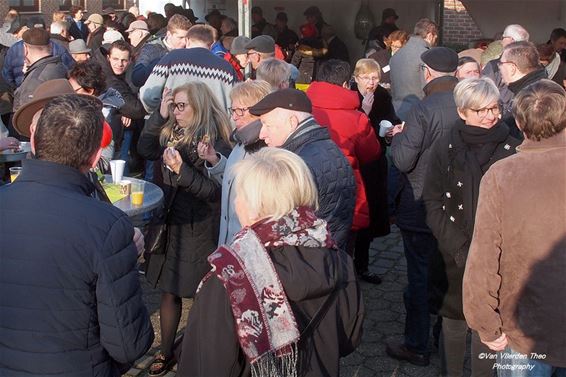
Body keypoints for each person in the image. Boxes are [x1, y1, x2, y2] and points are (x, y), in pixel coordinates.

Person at [0, 93, 154, 376]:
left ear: (33, 141)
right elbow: (129, 343)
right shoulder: (108, 227)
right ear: (96, 156)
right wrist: (126, 260)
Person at [177, 147, 364, 377]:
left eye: (239, 195)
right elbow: (349, 337)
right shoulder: (340, 259)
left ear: (255, 207)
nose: (236, 203)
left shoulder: (230, 278)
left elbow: (206, 365)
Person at [463, 79, 566, 377]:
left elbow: (483, 258)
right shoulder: (501, 175)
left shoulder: (502, 175)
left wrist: (485, 324)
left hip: (524, 330)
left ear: (518, 123)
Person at [422, 77, 520, 377]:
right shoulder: (445, 146)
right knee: (453, 322)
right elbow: (433, 200)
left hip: (497, 253)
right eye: (481, 110)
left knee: (488, 326)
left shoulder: (513, 148)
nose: (491, 116)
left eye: (494, 108)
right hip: (454, 250)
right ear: (463, 111)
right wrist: (460, 246)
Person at [137, 81, 232, 376]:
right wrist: (158, 115)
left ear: (199, 106)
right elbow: (144, 148)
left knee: (198, 292)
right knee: (169, 289)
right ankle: (166, 352)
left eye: (181, 106)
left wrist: (182, 171)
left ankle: (197, 351)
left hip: (199, 225)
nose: (176, 112)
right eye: (174, 106)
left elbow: (214, 192)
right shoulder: (171, 131)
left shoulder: (214, 139)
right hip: (170, 221)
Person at [387, 47, 461, 367]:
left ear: (427, 73)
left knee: (418, 275)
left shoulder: (421, 109)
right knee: (445, 272)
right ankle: (442, 336)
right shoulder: (467, 106)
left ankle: (416, 345)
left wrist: (399, 138)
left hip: (420, 207)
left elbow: (403, 160)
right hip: (457, 207)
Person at [250, 88, 356, 251]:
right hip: (330, 256)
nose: (262, 134)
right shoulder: (328, 148)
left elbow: (281, 227)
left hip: (309, 260)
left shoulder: (297, 164)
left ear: (292, 122)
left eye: (267, 125)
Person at [307, 59, 380, 254]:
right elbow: (371, 153)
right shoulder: (357, 118)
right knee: (343, 252)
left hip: (307, 187)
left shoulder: (303, 109)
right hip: (344, 191)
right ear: (346, 84)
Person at [199, 80, 272, 245]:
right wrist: (215, 160)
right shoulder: (240, 142)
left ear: (259, 110)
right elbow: (235, 182)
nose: (234, 116)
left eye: (240, 110)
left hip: (248, 244)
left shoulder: (266, 146)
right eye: (233, 110)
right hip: (229, 239)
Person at [350, 58, 399, 284]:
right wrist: (364, 112)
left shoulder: (382, 95)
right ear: (357, 77)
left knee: (369, 215)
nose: (372, 83)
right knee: (354, 215)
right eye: (367, 78)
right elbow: (351, 129)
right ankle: (348, 266)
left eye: (375, 78)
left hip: (375, 161)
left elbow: (391, 118)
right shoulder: (350, 95)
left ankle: (362, 265)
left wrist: (392, 130)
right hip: (355, 162)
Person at [141, 24, 237, 113]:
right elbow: (235, 105)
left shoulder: (172, 58)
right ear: (212, 44)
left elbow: (148, 95)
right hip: (213, 129)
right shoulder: (226, 68)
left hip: (175, 126)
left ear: (187, 40)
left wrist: (162, 114)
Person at [93, 40, 146, 156]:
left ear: (130, 61)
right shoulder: (109, 79)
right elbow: (135, 109)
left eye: (124, 60)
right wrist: (125, 111)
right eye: (115, 59)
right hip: (106, 135)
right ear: (108, 58)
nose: (120, 64)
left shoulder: (114, 75)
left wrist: (123, 111)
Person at [389, 18, 438, 120]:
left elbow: (393, 88)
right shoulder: (426, 55)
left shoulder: (396, 55)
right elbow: (428, 87)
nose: (435, 42)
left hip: (397, 110)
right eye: (435, 38)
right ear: (429, 36)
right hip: (419, 114)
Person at [498, 41, 547, 139]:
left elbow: (526, 136)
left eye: (501, 63)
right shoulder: (541, 86)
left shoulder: (534, 97)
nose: (499, 68)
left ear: (512, 68)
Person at [13, 28, 68, 112]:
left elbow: (26, 116)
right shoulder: (61, 66)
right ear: (50, 46)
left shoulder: (35, 80)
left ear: (25, 49)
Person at [132, 14, 191, 88]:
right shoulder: (151, 49)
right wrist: (161, 62)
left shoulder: (191, 49)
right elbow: (137, 78)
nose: (185, 42)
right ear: (169, 34)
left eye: (187, 38)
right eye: (180, 38)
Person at [482, 24, 529, 114]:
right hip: (525, 115)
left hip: (501, 116)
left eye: (503, 37)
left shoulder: (494, 66)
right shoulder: (535, 66)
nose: (501, 41)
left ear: (511, 40)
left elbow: (484, 92)